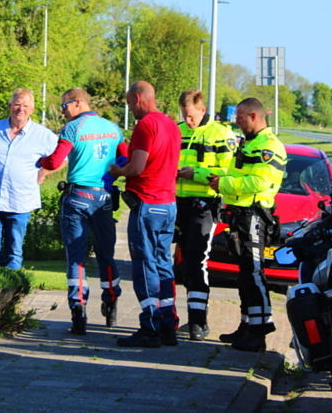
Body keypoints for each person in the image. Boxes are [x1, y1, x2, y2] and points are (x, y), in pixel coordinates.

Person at [39, 88, 127, 335]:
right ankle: (111, 302)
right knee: (106, 255)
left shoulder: (72, 129)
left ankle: (78, 311)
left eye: (65, 106)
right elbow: (125, 158)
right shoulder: (113, 128)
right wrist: (110, 172)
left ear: (78, 102)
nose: (63, 111)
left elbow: (56, 162)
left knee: (76, 256)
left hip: (77, 196)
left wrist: (41, 162)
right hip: (104, 197)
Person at [208, 97, 287, 352]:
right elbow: (235, 174)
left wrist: (224, 185)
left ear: (254, 116)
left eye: (240, 118)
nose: (237, 122)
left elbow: (260, 183)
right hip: (240, 215)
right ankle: (247, 326)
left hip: (254, 215)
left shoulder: (269, 146)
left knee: (253, 272)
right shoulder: (248, 142)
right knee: (244, 274)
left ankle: (260, 331)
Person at [108, 81, 182, 348]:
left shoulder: (145, 125)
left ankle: (149, 325)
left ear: (138, 98)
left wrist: (118, 171)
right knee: (163, 264)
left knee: (144, 264)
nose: (130, 108)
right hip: (168, 203)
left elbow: (136, 168)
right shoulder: (172, 125)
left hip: (147, 203)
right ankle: (167, 325)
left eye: (129, 103)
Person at [0, 88, 58, 270]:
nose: (20, 109)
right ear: (9, 106)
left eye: (25, 105)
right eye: (17, 104)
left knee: (13, 251)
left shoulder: (42, 134)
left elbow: (63, 157)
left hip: (20, 201)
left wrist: (44, 172)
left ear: (32, 109)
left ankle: (12, 291)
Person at [173, 90, 238, 341]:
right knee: (180, 263)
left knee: (196, 260)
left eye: (191, 116)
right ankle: (182, 318)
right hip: (178, 203)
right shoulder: (178, 131)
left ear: (202, 109)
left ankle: (198, 322)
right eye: (184, 116)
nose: (188, 121)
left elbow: (228, 170)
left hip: (204, 204)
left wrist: (197, 173)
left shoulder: (221, 134)